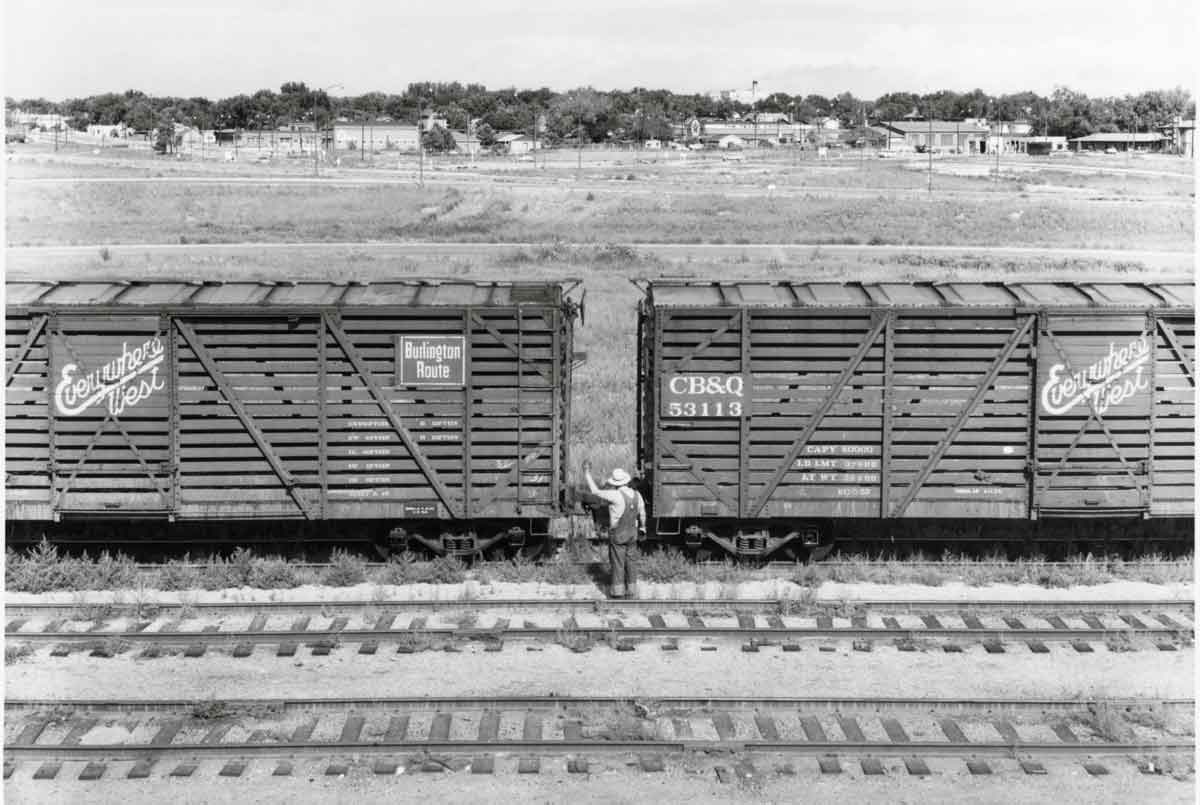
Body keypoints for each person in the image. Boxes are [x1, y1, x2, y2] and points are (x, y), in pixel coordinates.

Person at [582, 460, 646, 598]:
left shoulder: (615, 495)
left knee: (618, 562)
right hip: (633, 533)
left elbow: (595, 491)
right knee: (631, 562)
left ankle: (617, 592)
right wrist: (644, 528)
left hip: (618, 533)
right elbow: (642, 513)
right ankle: (632, 591)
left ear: (615, 483)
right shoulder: (637, 495)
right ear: (626, 481)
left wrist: (587, 473)